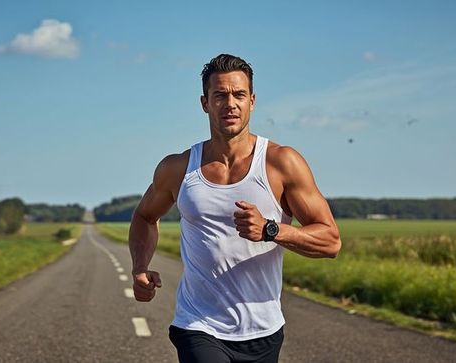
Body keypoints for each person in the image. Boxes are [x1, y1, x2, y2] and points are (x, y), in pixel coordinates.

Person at [129, 53, 341, 363]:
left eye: (239, 94)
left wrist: (271, 230)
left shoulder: (281, 163)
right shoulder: (178, 168)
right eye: (220, 95)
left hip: (263, 328)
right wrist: (139, 267)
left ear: (252, 101)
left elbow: (331, 241)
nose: (230, 103)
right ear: (205, 103)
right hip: (198, 323)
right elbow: (145, 216)